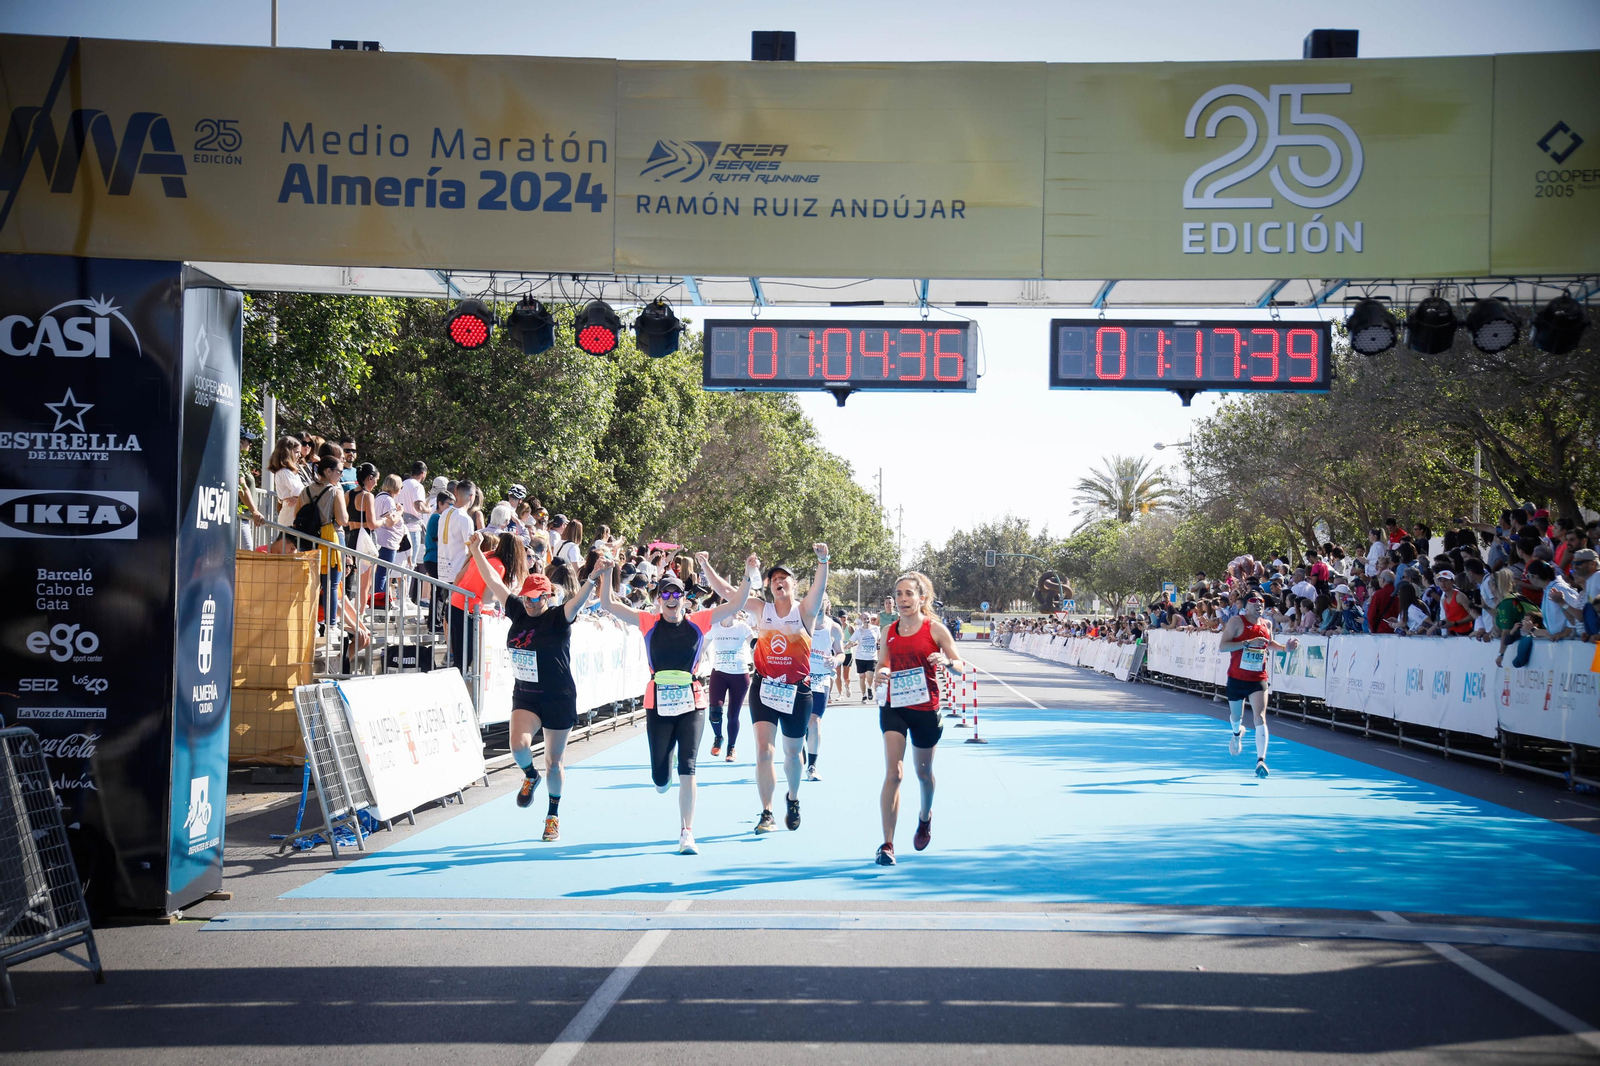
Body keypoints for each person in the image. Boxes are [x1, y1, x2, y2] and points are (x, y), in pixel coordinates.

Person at [597, 556, 753, 854]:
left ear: (684, 598)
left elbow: (735, 605)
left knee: (689, 767)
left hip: (692, 702)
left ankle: (686, 832)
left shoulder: (699, 621)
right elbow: (609, 605)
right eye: (665, 594)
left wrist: (748, 573)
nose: (670, 599)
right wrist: (605, 575)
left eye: (676, 594)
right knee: (660, 776)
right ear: (658, 600)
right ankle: (662, 773)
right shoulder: (647, 622)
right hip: (657, 702)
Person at [469, 532, 600, 842]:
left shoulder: (558, 617)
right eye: (525, 597)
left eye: (534, 598)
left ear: (546, 597)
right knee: (518, 746)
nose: (528, 603)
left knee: (554, 763)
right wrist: (476, 550)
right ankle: (529, 776)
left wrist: (593, 579)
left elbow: (577, 602)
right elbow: (494, 582)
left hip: (558, 698)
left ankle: (553, 814)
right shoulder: (516, 609)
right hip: (526, 694)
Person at [701, 545, 831, 834]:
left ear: (794, 584)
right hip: (764, 688)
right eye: (774, 579)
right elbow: (727, 593)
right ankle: (767, 812)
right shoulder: (761, 609)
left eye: (784, 578)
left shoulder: (806, 611)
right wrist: (708, 565)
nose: (778, 582)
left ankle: (793, 799)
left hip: (797, 692)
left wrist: (823, 561)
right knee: (763, 752)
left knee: (793, 754)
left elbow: (820, 588)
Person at [872, 571, 972, 867]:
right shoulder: (888, 631)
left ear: (921, 598)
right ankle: (887, 844)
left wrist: (947, 662)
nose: (903, 599)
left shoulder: (935, 629)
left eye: (909, 594)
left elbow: (960, 666)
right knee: (894, 773)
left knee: (924, 775)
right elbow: (883, 663)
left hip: (925, 709)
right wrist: (881, 673)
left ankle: (925, 817)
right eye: (899, 594)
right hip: (894, 706)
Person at [1217, 593, 1298, 779]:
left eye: (1261, 602)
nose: (1259, 605)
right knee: (1236, 716)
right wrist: (1247, 643)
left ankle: (1260, 760)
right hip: (1237, 678)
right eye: (1254, 602)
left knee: (1260, 717)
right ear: (1246, 605)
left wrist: (1285, 649)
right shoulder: (1237, 622)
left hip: (1258, 678)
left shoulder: (1267, 624)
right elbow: (1223, 646)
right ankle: (1237, 733)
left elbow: (1269, 644)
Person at [698, 551, 754, 761]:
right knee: (715, 712)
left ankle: (731, 747)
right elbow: (702, 646)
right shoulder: (715, 627)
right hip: (719, 673)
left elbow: (754, 643)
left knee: (733, 715)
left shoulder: (743, 627)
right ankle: (718, 738)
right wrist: (693, 661)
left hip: (740, 675)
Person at [804, 604, 846, 782]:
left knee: (815, 721)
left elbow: (841, 653)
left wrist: (835, 660)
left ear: (827, 605)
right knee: (802, 722)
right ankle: (800, 746)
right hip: (801, 678)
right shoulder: (802, 622)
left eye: (822, 601)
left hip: (821, 678)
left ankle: (812, 766)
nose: (819, 605)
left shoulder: (834, 628)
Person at [268, 435, 309, 537]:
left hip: (292, 511)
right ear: (287, 452)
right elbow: (299, 490)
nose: (299, 455)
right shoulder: (285, 472)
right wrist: (297, 496)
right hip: (290, 512)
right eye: (296, 452)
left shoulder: (287, 471)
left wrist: (297, 497)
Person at [852, 611, 880, 702]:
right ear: (861, 619)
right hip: (860, 657)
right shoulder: (858, 631)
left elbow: (880, 640)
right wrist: (844, 648)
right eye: (864, 618)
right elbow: (852, 641)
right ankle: (864, 695)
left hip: (872, 657)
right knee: (861, 676)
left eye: (868, 618)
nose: (866, 620)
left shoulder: (876, 629)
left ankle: (870, 687)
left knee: (870, 675)